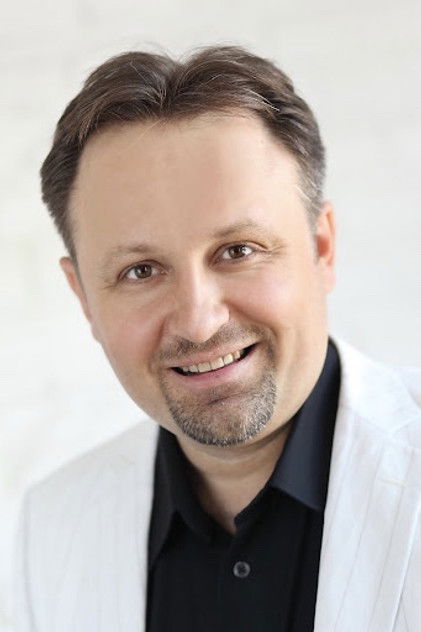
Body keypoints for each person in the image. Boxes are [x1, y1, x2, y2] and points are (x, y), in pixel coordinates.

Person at [16, 46, 420, 632]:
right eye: (141, 271)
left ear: (322, 248)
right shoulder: (52, 527)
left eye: (238, 251)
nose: (199, 322)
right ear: (84, 300)